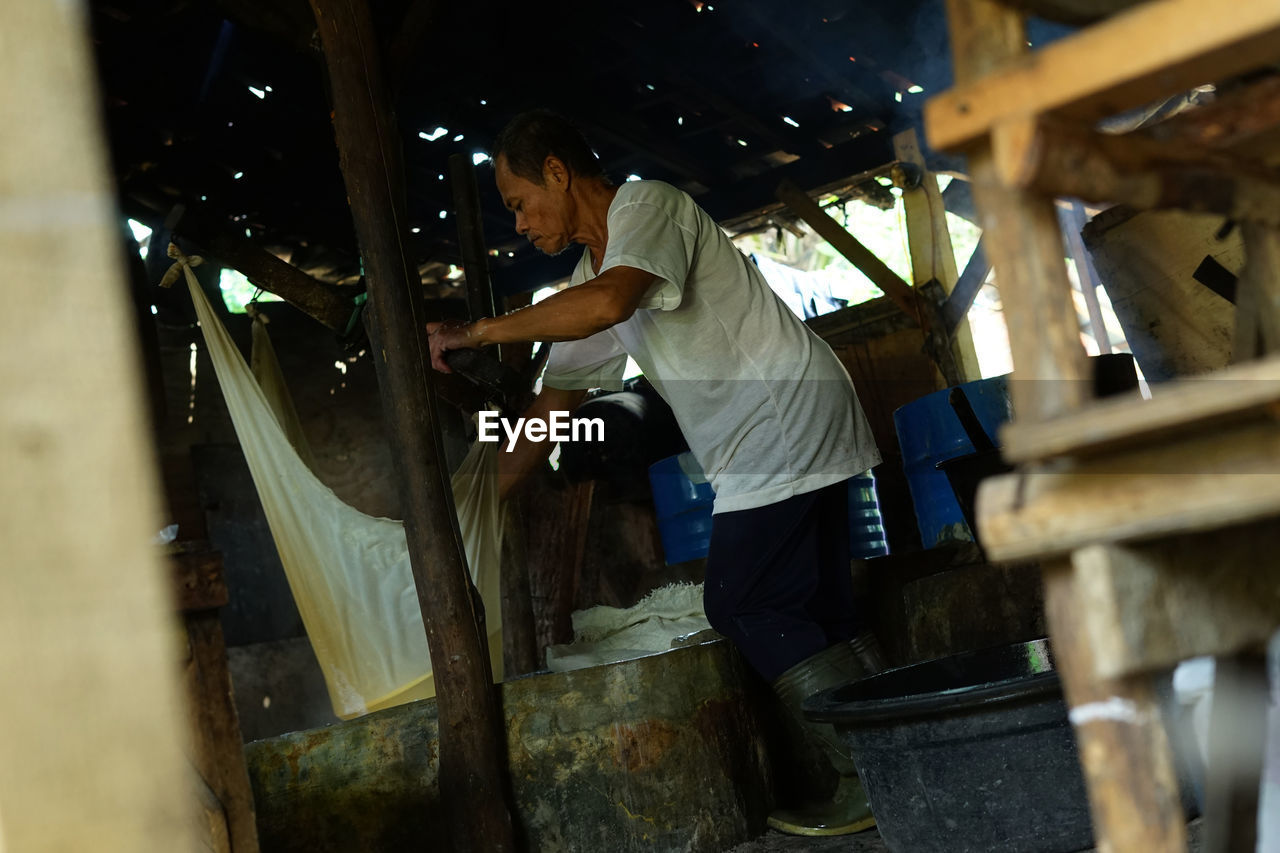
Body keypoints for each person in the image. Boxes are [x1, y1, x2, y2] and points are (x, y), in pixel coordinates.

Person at [428, 110, 884, 835]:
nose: (518, 223)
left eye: (518, 202)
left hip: (781, 416)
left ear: (557, 169)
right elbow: (550, 413)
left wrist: (476, 331)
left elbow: (609, 303)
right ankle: (900, 758)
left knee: (740, 603)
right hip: (775, 427)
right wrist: (466, 513)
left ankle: (869, 774)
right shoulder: (592, 277)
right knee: (819, 607)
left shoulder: (648, 206)